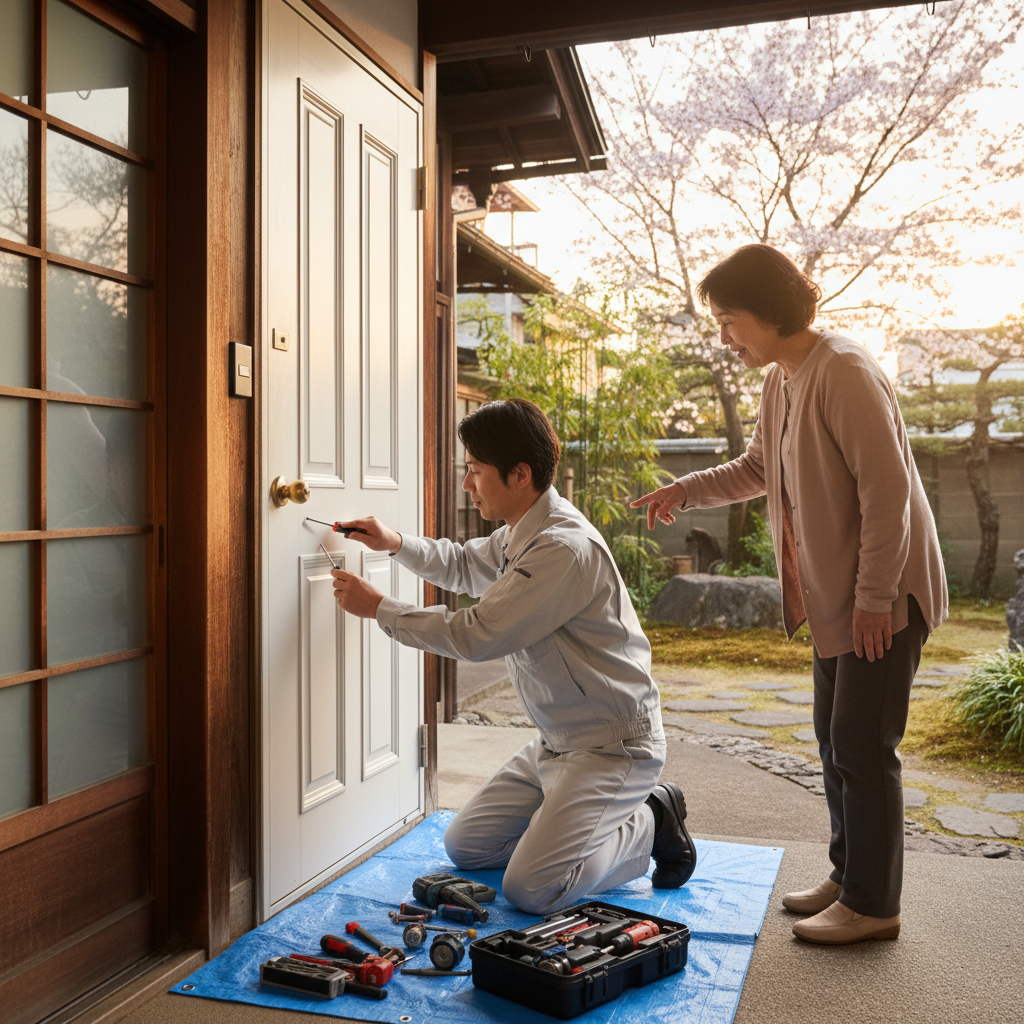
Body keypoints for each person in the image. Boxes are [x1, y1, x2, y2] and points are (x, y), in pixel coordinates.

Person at [633, 244, 947, 945]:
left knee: (864, 747)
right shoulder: (784, 375)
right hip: (840, 597)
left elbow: (886, 492)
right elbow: (756, 467)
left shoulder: (844, 368)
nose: (722, 336)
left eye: (728, 318)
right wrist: (684, 491)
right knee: (834, 741)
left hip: (882, 594)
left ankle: (874, 904)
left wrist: (873, 600)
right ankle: (850, 873)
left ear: (769, 312)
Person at [330, 398, 697, 915]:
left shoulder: (560, 548)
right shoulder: (521, 530)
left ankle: (650, 819)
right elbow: (462, 565)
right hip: (556, 742)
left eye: (475, 471)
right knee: (467, 848)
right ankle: (571, 826)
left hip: (612, 747)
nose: (467, 484)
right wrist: (395, 544)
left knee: (533, 890)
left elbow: (477, 634)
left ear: (519, 474)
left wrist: (382, 609)